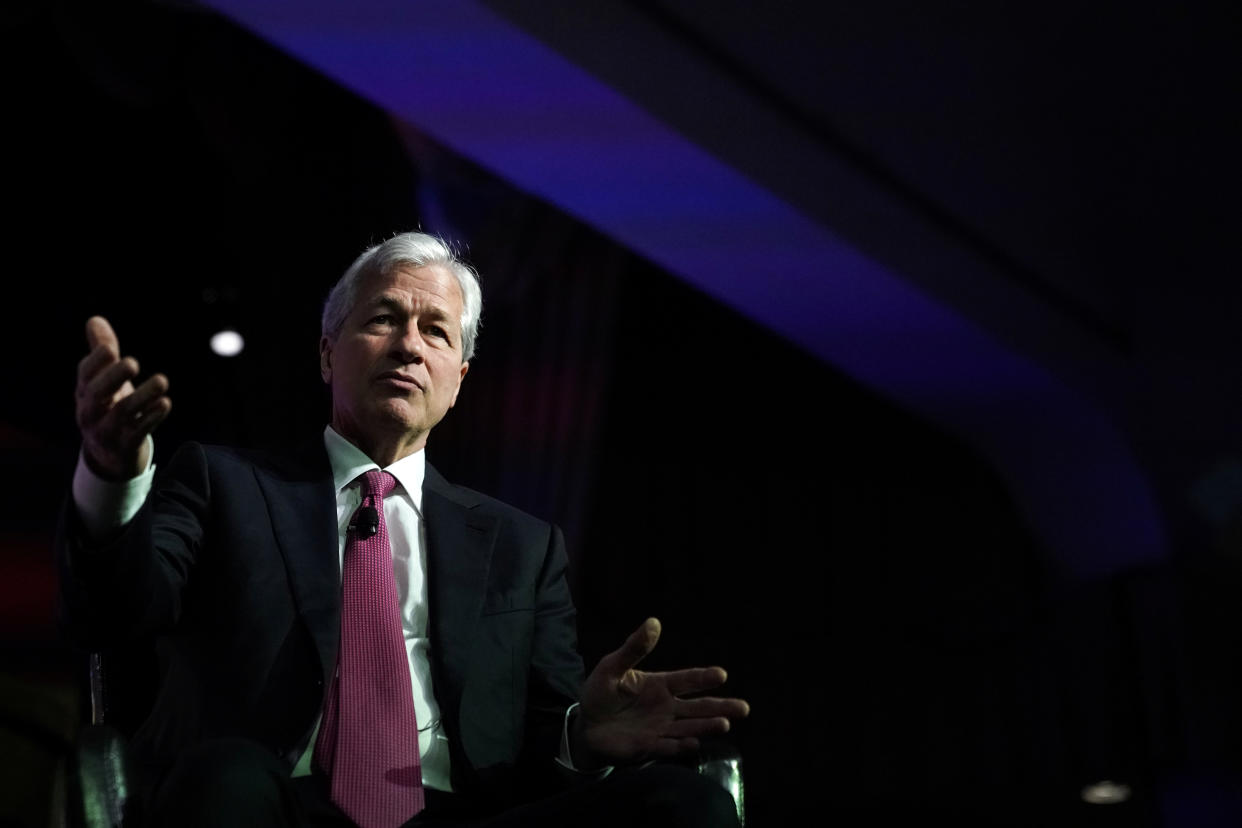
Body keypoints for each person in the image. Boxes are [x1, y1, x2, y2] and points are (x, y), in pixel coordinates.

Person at [57, 231, 749, 827]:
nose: (409, 346)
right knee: (227, 777)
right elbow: (116, 611)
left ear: (459, 378)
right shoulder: (223, 483)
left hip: (467, 816)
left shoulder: (523, 548)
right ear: (328, 353)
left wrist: (583, 736)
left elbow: (541, 740)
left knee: (687, 806)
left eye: (435, 331)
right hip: (272, 802)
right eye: (384, 320)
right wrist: (112, 475)